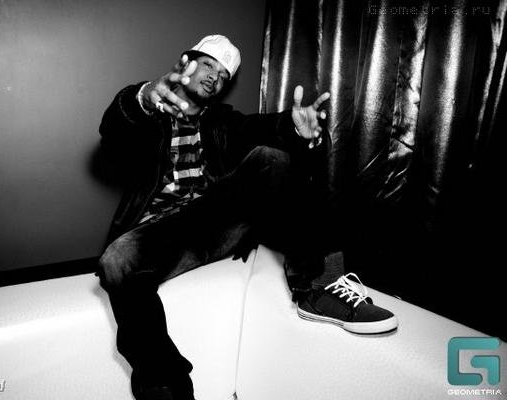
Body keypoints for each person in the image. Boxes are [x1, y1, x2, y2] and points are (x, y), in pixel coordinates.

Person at [96, 34, 398, 400]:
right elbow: (112, 132)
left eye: (223, 75)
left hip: (215, 223)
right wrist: (143, 97)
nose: (214, 77)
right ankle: (165, 383)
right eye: (208, 65)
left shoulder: (220, 121)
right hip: (161, 233)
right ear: (185, 63)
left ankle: (316, 290)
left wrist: (295, 128)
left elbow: (259, 128)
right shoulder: (149, 115)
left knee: (273, 158)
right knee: (115, 260)